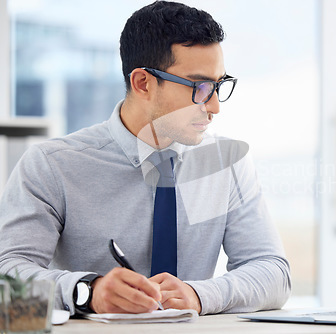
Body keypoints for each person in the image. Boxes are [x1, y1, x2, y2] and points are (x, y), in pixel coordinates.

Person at [0, 1, 291, 315]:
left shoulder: (227, 163)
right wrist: (87, 291)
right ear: (143, 83)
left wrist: (199, 294)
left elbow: (273, 272)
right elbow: (8, 273)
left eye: (219, 85)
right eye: (200, 87)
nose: (215, 106)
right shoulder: (52, 164)